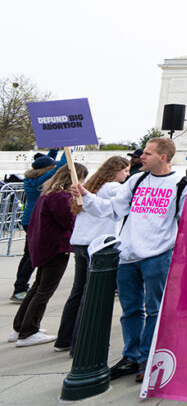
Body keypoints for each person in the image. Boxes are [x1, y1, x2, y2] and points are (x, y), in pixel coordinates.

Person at [72, 137, 187, 382]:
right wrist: (86, 195)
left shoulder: (181, 183)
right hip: (127, 255)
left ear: (163, 157)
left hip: (158, 255)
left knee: (155, 309)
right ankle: (131, 356)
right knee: (130, 310)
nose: (141, 157)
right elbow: (112, 209)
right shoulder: (136, 181)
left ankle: (148, 357)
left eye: (147, 153)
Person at [54, 156, 130, 353]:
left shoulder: (92, 184)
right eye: (126, 171)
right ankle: (81, 343)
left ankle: (64, 339)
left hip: (80, 242)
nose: (128, 175)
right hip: (98, 245)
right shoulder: (114, 188)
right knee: (91, 295)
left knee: (77, 292)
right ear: (116, 171)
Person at [10, 163, 88, 347]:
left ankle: (20, 326)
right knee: (45, 290)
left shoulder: (48, 193)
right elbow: (67, 221)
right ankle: (28, 330)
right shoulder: (60, 196)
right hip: (56, 247)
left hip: (46, 246)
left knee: (38, 287)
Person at [11, 148, 67, 303]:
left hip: (29, 221)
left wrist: (53, 151)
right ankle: (20, 288)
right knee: (31, 256)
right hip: (35, 221)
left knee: (28, 255)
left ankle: (21, 286)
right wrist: (71, 146)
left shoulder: (32, 178)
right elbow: (59, 167)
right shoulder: (40, 180)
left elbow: (45, 164)